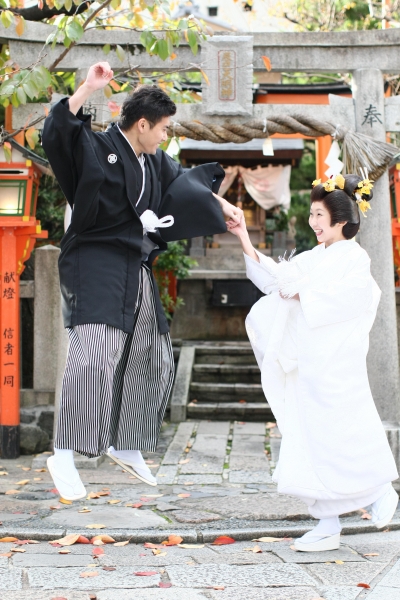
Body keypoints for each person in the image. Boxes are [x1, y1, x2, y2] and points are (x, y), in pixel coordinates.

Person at [41, 61, 243, 501]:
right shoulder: (98, 148)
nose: (166, 136)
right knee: (96, 352)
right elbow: (59, 134)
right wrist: (87, 89)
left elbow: (188, 188)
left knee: (151, 354)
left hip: (135, 266)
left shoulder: (154, 162)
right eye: (164, 128)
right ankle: (64, 451)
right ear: (143, 123)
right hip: (95, 260)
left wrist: (223, 207)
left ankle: (126, 442)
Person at [226, 173, 399, 552]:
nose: (313, 222)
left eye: (319, 214)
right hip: (307, 365)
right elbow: (276, 276)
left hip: (335, 364)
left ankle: (378, 490)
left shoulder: (355, 257)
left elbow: (354, 298)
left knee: (344, 435)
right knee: (308, 442)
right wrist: (242, 234)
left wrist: (305, 291)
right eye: (312, 214)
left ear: (340, 219)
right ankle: (326, 523)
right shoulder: (312, 257)